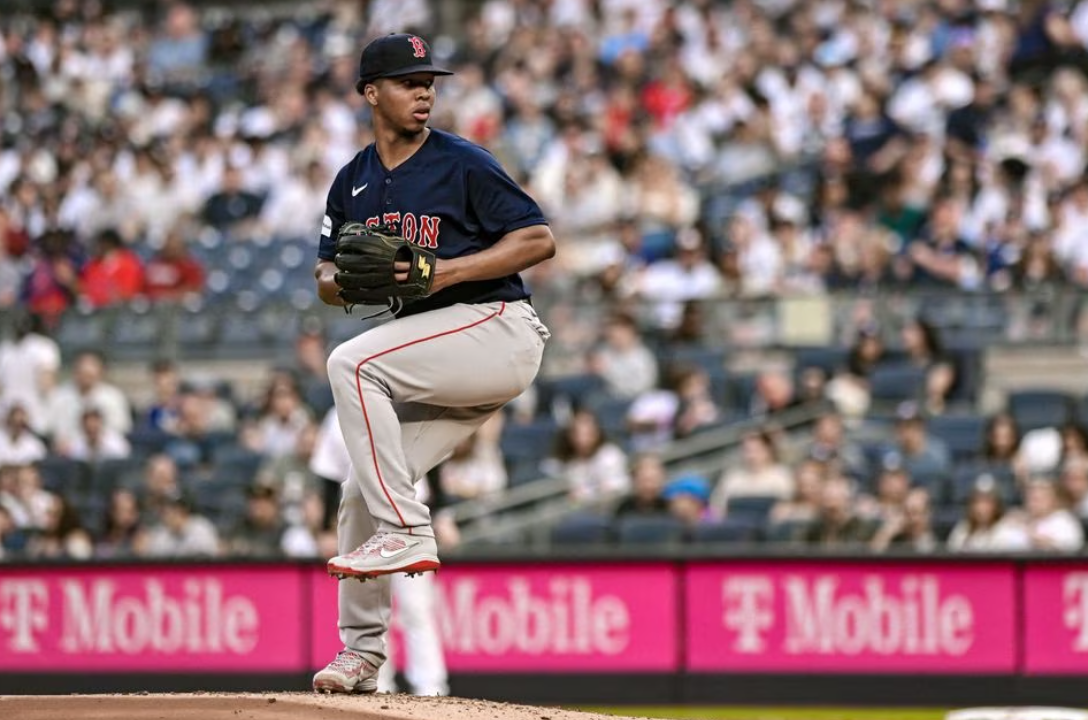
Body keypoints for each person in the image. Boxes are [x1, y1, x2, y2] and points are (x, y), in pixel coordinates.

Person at [312, 34, 554, 694]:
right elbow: (327, 275)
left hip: (496, 330)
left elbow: (538, 238)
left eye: (430, 81)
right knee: (360, 487)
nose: (425, 91)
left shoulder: (462, 162)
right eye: (408, 81)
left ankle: (408, 529)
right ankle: (362, 654)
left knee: (353, 364)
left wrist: (442, 272)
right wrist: (347, 281)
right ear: (371, 93)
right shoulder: (352, 180)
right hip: (435, 354)